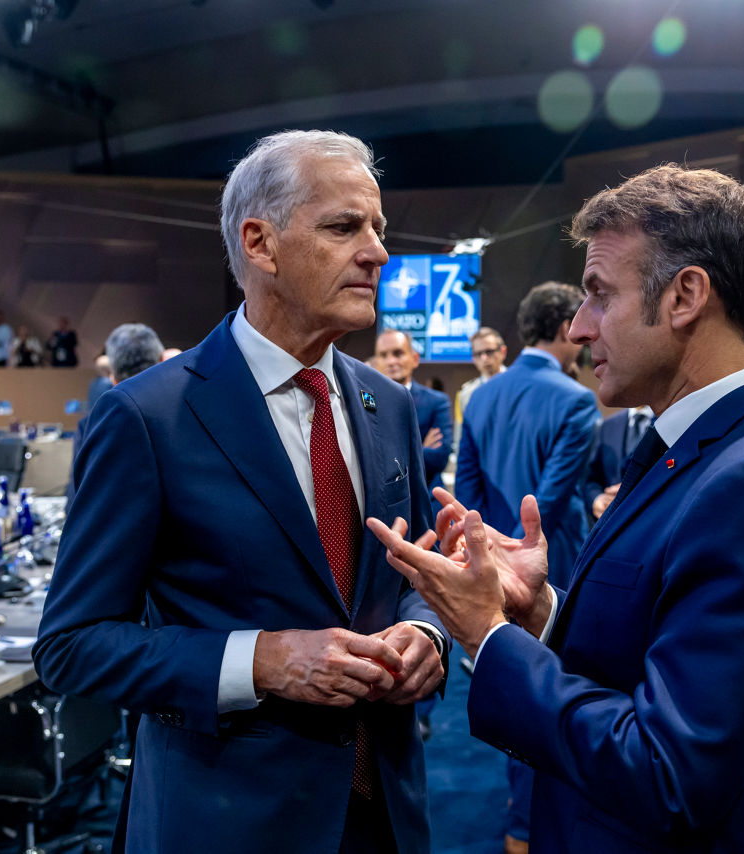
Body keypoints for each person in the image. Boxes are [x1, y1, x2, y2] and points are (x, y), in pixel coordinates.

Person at [370, 163, 744, 854]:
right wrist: (538, 612)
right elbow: (650, 650)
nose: (579, 325)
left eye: (599, 294)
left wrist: (489, 634)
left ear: (686, 295)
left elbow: (668, 775)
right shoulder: (705, 450)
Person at [33, 130, 447, 854]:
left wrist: (426, 634)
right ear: (260, 244)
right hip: (226, 822)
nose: (378, 252)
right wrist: (262, 660)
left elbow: (405, 574)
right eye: (346, 227)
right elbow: (72, 646)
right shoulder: (147, 416)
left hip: (385, 814)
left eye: (379, 228)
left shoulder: (393, 404)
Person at [454, 282, 598, 853]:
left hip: (490, 565)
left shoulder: (483, 395)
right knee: (558, 691)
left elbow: (465, 496)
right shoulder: (576, 398)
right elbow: (554, 500)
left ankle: (522, 819)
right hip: (553, 569)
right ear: (565, 327)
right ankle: (532, 824)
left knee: (516, 683)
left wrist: (482, 561)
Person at [66, 323, 164, 505]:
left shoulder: (91, 426)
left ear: (112, 376)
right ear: (161, 360)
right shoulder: (188, 419)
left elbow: (77, 501)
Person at [373, 330, 452, 498]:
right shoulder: (365, 404)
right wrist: (421, 449)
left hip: (428, 501)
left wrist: (387, 455)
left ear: (415, 359)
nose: (391, 361)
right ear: (375, 363)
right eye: (383, 355)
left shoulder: (437, 402)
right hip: (382, 506)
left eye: (398, 353)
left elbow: (439, 458)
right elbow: (368, 460)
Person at [582, 404, 653, 523]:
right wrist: (596, 499)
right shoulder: (609, 425)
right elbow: (590, 479)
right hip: (612, 522)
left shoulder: (670, 422)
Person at [453, 326, 508, 426]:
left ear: (503, 352)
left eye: (489, 352)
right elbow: (460, 437)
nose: (484, 358)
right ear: (473, 358)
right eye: (478, 354)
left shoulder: (519, 386)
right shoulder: (465, 395)